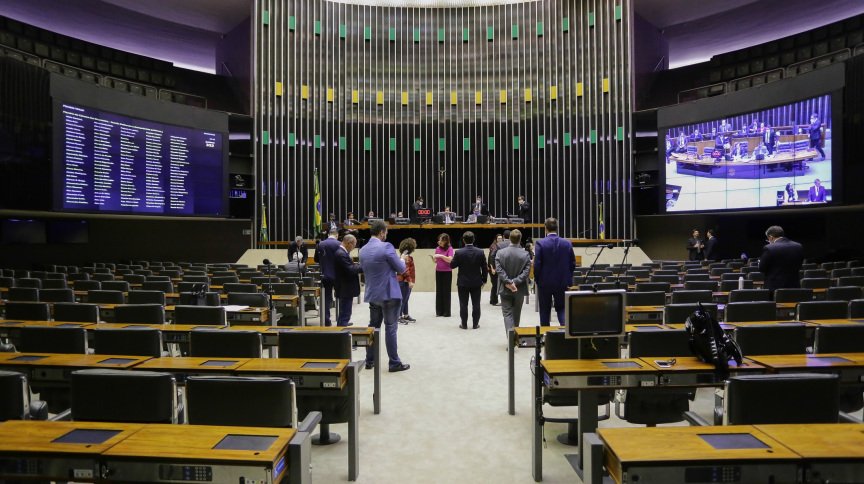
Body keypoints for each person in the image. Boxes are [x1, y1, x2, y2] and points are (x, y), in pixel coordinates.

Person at [360, 220, 410, 372]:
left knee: (373, 327)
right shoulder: (386, 246)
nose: (386, 235)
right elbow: (401, 269)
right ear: (382, 232)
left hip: (373, 294)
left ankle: (369, 360)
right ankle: (394, 363)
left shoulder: (362, 249)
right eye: (386, 232)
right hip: (389, 294)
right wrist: (402, 258)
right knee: (390, 328)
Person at [533, 218, 576, 326]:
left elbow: (537, 264)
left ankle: (546, 337)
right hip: (562, 282)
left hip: (545, 282)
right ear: (557, 228)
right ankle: (565, 333)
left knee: (545, 310)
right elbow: (573, 263)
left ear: (545, 228)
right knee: (562, 309)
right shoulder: (567, 243)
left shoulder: (540, 243)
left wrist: (538, 280)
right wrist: (567, 278)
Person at [495, 230, 531, 340]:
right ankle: (515, 337)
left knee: (507, 314)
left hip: (505, 288)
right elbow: (526, 272)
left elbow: (499, 270)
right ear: (520, 240)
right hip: (519, 289)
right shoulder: (525, 254)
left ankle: (510, 340)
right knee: (516, 314)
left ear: (509, 239)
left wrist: (509, 282)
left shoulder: (500, 253)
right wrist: (515, 282)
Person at [450, 231, 488, 330]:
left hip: (463, 282)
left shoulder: (459, 252)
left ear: (463, 240)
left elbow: (452, 265)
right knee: (476, 304)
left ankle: (464, 324)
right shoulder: (480, 252)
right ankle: (475, 324)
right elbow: (484, 268)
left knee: (463, 304)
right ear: (474, 240)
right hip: (476, 282)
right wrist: (484, 280)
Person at [758, 225, 804, 295]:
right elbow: (799, 265)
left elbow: (762, 268)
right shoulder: (798, 246)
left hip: (774, 288)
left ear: (770, 236)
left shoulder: (769, 248)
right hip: (794, 287)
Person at [334, 234, 362, 327]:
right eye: (354, 245)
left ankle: (342, 325)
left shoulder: (342, 252)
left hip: (345, 287)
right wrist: (363, 267)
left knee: (344, 312)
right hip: (345, 288)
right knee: (345, 313)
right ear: (348, 243)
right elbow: (350, 270)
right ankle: (342, 332)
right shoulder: (341, 254)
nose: (354, 247)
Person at [317, 228, 342, 326]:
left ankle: (326, 321)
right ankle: (341, 321)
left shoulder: (320, 244)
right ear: (336, 235)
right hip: (337, 275)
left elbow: (316, 259)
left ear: (328, 234)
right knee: (341, 297)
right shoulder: (339, 244)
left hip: (325, 274)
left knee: (326, 298)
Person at [432, 233, 454, 317]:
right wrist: (434, 259)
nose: (439, 242)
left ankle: (446, 311)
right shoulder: (437, 248)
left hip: (447, 272)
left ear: (445, 241)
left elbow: (450, 260)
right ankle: (439, 311)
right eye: (439, 240)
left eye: (441, 240)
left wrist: (441, 255)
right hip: (438, 271)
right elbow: (436, 261)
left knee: (446, 291)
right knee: (439, 290)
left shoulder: (450, 249)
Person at [397, 238, 416, 324]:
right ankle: (399, 316)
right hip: (404, 281)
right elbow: (405, 270)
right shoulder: (406, 257)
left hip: (404, 281)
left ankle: (406, 315)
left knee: (405, 299)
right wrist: (409, 281)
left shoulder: (404, 255)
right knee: (402, 299)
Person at [488, 234, 503, 305]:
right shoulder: (494, 247)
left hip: (495, 268)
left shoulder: (498, 246)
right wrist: (492, 269)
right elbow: (491, 258)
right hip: (492, 269)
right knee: (495, 284)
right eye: (498, 238)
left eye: (501, 238)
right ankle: (494, 301)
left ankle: (492, 300)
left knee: (495, 284)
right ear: (496, 239)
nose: (500, 240)